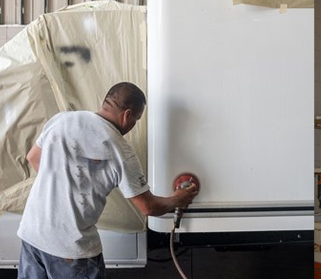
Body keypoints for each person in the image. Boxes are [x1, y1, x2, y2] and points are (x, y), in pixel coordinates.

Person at [19, 82, 200, 279]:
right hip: (71, 249)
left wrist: (62, 185)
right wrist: (178, 199)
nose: (133, 125)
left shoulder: (62, 120)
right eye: (136, 119)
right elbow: (149, 207)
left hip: (32, 234)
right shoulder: (120, 150)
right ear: (127, 115)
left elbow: (33, 157)